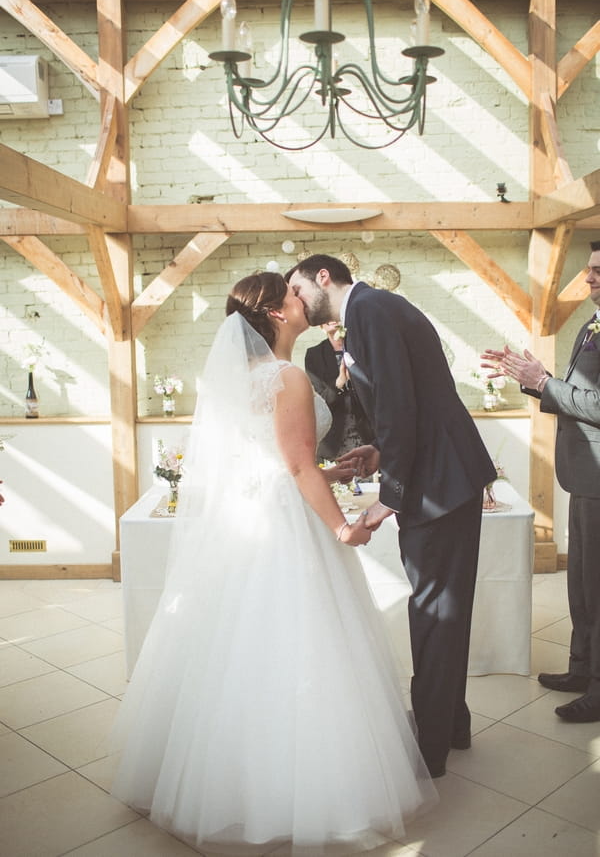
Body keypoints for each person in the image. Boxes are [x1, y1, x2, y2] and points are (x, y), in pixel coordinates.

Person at [111, 272, 437, 854]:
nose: (301, 298)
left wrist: (335, 471)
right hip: (285, 525)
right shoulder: (286, 376)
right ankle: (302, 787)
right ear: (277, 315)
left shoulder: (246, 376)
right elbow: (295, 467)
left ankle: (216, 777)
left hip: (252, 515)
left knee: (236, 646)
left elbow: (268, 458)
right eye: (290, 295)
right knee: (300, 642)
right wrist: (340, 526)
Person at [287, 255, 496, 779]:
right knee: (441, 612)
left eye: (296, 288)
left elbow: (400, 404)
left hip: (439, 485)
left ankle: (431, 752)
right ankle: (451, 726)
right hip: (440, 474)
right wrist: (378, 451)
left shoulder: (371, 310)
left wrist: (391, 495)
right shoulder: (371, 312)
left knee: (435, 614)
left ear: (323, 278)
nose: (294, 301)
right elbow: (408, 404)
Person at [481, 240, 600, 724]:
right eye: (590, 269)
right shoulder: (590, 328)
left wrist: (547, 382)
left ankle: (598, 688)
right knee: (582, 585)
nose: (589, 277)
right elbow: (576, 394)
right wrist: (535, 379)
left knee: (598, 588)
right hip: (582, 475)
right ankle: (580, 668)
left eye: (597, 271)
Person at [304, 320, 373, 464]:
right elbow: (320, 402)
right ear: (321, 326)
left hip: (367, 438)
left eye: (335, 314)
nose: (332, 319)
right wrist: (339, 383)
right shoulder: (314, 355)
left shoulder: (363, 349)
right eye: (326, 317)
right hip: (333, 443)